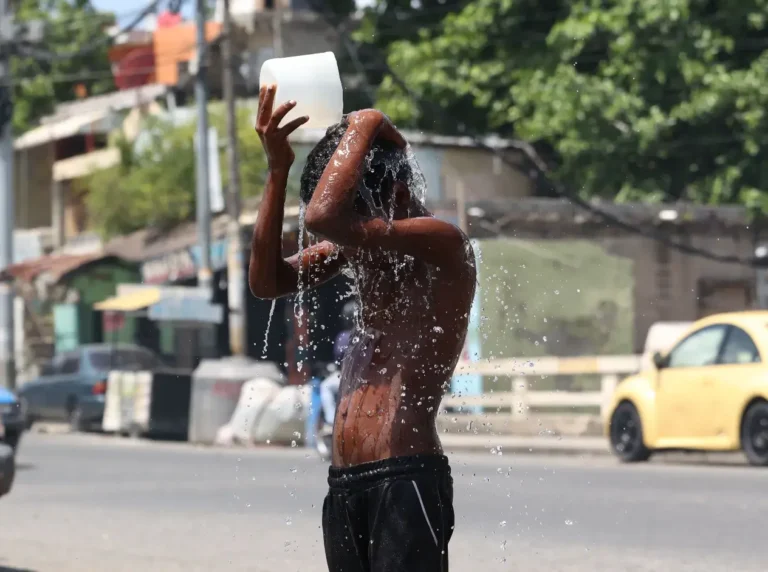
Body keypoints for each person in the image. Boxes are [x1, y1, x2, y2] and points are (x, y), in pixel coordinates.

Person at [249, 84, 476, 572]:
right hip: (346, 483)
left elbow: (323, 216)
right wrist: (277, 170)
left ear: (393, 195)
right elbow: (267, 281)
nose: (342, 238)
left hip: (405, 475)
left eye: (356, 219)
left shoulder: (444, 244)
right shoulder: (361, 246)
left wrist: (367, 119)